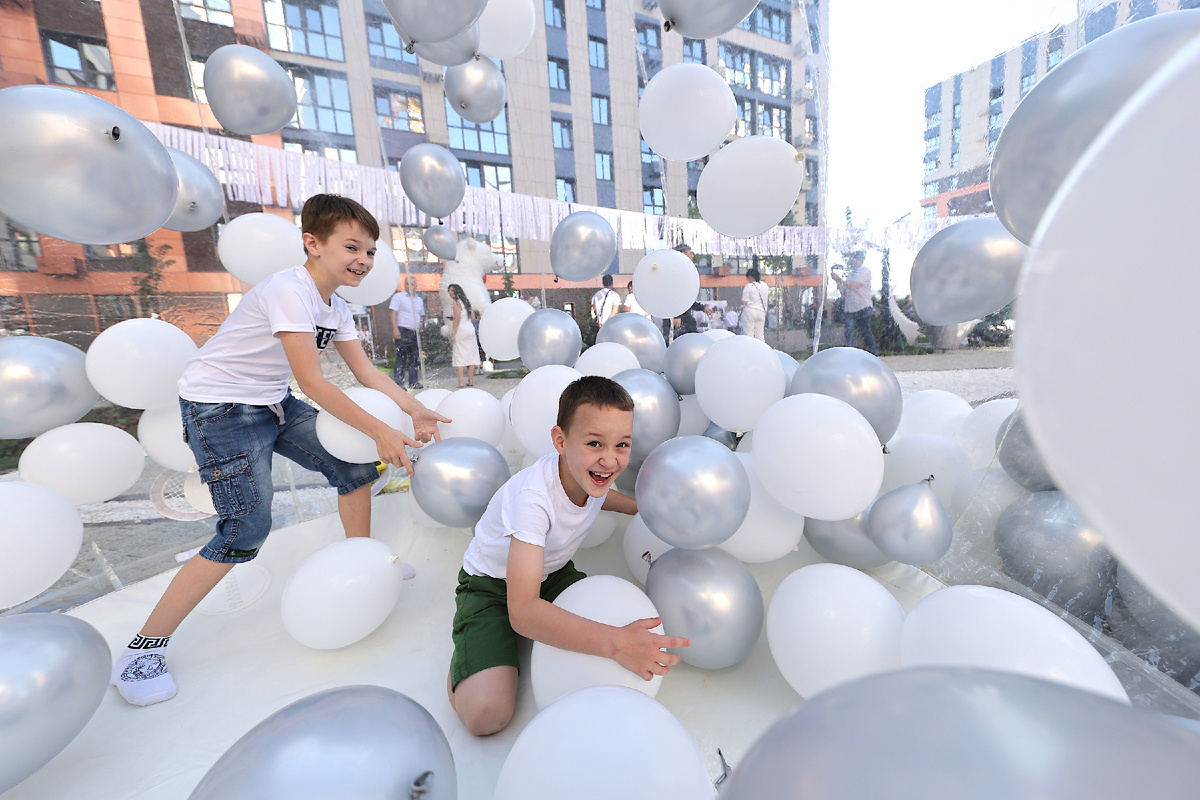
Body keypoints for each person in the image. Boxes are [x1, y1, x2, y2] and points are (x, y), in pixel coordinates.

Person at [111, 194, 447, 707]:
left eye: (372, 251)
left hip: (270, 401)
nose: (363, 259)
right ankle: (140, 653)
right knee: (245, 529)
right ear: (312, 243)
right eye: (352, 246)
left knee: (353, 465)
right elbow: (313, 381)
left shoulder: (336, 304)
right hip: (220, 408)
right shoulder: (290, 289)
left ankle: (362, 561)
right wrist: (382, 429)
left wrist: (413, 408)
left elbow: (365, 372)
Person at [446, 376, 690, 736]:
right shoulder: (532, 499)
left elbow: (600, 494)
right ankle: (466, 661)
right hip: (491, 587)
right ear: (560, 441)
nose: (609, 460)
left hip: (552, 573)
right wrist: (617, 644)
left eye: (622, 444)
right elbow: (524, 611)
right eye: (595, 443)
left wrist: (641, 510)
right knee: (486, 715)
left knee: (604, 619)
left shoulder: (589, 473)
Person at [831, 251, 877, 355]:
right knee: (849, 333)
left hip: (863, 307)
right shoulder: (851, 274)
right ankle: (849, 355)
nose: (851, 261)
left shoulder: (865, 271)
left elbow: (852, 286)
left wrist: (840, 279)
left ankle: (873, 353)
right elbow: (844, 291)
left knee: (865, 332)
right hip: (850, 308)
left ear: (858, 259)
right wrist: (838, 282)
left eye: (853, 258)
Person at [389, 275, 425, 390]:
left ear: (416, 285)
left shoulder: (419, 300)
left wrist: (421, 326)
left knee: (414, 358)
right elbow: (393, 313)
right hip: (403, 331)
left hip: (415, 332)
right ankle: (399, 383)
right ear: (405, 285)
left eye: (413, 284)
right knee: (401, 357)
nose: (411, 286)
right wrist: (395, 329)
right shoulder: (398, 297)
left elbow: (422, 315)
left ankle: (413, 382)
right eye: (408, 284)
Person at [448, 283, 481, 387]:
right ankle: (470, 381)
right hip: (469, 329)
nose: (449, 292)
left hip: (461, 330)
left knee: (460, 355)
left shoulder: (456, 303)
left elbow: (457, 319)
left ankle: (461, 382)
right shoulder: (466, 302)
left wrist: (453, 334)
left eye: (451, 290)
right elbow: (472, 317)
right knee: (471, 355)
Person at [740, 266, 769, 341]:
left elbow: (745, 301)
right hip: (761, 312)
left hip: (750, 311)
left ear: (750, 277)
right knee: (760, 335)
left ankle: (750, 350)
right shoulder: (765, 285)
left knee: (749, 334)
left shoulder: (749, 287)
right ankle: (761, 350)